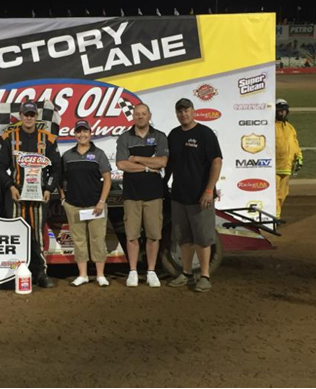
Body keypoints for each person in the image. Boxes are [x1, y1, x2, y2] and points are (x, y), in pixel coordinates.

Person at [0, 101, 62, 288]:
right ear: (21, 115)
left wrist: (49, 189)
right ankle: (14, 273)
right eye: (26, 114)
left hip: (39, 195)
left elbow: (57, 168)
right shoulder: (9, 137)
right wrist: (10, 186)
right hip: (16, 195)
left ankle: (41, 273)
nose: (29, 117)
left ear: (36, 116)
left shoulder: (47, 138)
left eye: (32, 114)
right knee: (16, 234)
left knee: (38, 235)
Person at [167, 98, 223, 293]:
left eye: (187, 110)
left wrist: (209, 190)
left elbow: (216, 162)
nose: (184, 114)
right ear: (177, 114)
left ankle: (205, 275)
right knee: (184, 238)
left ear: (193, 111)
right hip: (179, 195)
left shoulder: (205, 134)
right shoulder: (173, 135)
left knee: (203, 237)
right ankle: (186, 272)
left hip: (201, 196)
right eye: (180, 111)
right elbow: (170, 163)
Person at [115, 103, 169, 288]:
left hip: (154, 195)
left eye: (143, 114)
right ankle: (133, 272)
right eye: (137, 114)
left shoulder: (159, 137)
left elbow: (162, 162)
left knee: (153, 235)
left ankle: (151, 271)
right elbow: (122, 164)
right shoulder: (124, 138)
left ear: (149, 115)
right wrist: (148, 167)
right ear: (133, 117)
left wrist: (137, 159)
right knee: (132, 236)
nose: (140, 117)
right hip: (131, 194)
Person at [60, 120, 112, 287]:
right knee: (79, 240)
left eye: (85, 131)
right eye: (79, 131)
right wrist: (63, 198)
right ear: (75, 134)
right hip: (74, 205)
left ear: (90, 133)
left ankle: (100, 275)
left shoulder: (99, 154)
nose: (82, 134)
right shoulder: (67, 155)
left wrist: (101, 201)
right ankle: (82, 275)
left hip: (95, 205)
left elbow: (108, 179)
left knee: (97, 239)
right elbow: (60, 178)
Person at [275, 98, 303, 218]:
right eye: (280, 111)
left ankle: (277, 215)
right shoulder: (270, 126)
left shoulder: (290, 128)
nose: (282, 113)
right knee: (274, 193)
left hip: (287, 166)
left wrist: (299, 157)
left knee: (283, 194)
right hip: (273, 167)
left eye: (284, 111)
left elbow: (295, 144)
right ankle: (275, 217)